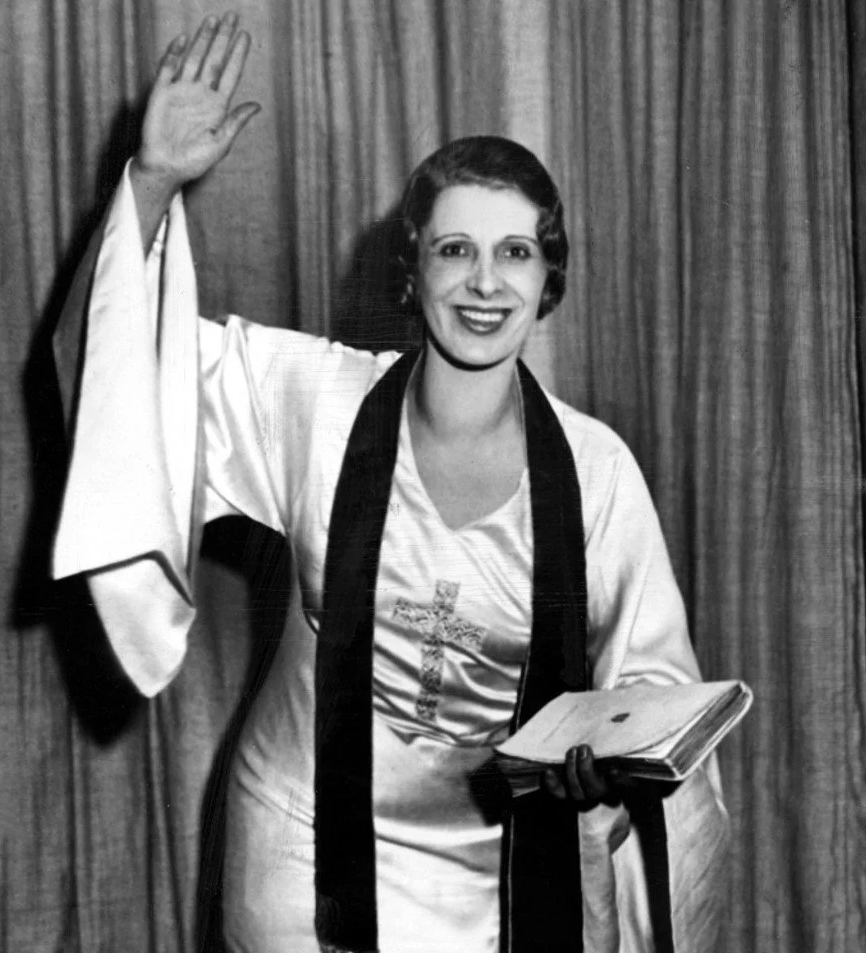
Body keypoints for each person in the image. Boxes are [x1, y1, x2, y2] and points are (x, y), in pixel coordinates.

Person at [52, 12, 730, 953]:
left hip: (499, 878)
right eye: (456, 249)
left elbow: (657, 682)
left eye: (515, 251)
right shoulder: (310, 399)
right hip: (299, 857)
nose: (484, 283)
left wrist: (606, 766)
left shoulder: (597, 469)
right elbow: (116, 375)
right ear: (411, 270)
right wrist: (153, 183)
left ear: (549, 278)